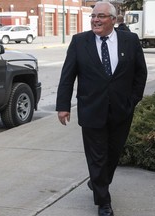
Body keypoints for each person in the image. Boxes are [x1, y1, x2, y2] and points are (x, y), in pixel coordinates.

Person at [56, 2, 147, 216]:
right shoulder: (79, 42)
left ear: (113, 20)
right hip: (91, 109)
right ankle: (103, 201)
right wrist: (63, 106)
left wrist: (133, 100)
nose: (95, 20)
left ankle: (98, 182)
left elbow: (140, 73)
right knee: (97, 157)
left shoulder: (130, 41)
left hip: (121, 110)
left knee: (113, 154)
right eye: (93, 15)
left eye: (102, 16)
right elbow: (67, 76)